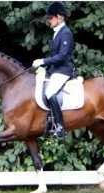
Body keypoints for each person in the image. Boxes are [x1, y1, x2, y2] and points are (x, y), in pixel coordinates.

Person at [32, 1, 75, 138]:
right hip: (55, 69)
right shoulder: (57, 32)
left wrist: (43, 61)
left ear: (60, 17)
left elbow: (62, 56)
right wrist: (44, 67)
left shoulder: (66, 33)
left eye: (51, 18)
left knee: (50, 92)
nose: (49, 21)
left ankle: (60, 126)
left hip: (64, 70)